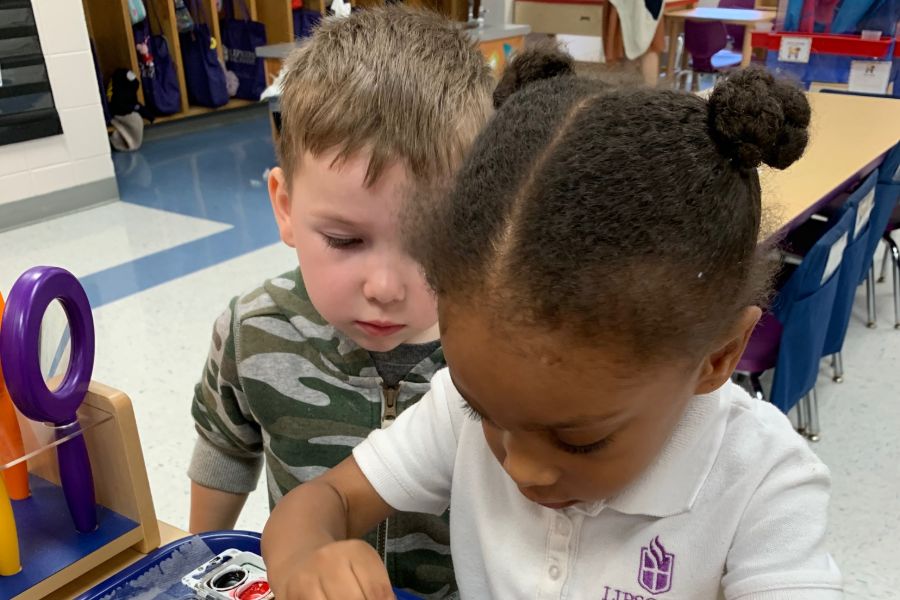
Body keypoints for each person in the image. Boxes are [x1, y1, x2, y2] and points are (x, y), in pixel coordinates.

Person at [261, 46, 843, 600]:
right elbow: (325, 498)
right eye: (483, 413)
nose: (522, 467)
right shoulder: (467, 412)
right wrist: (306, 555)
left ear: (718, 357)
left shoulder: (765, 486)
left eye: (580, 440)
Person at [187, 7, 494, 598]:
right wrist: (199, 567)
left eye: (432, 243)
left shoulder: (493, 350)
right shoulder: (253, 328)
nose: (384, 286)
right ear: (284, 206)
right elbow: (224, 451)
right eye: (345, 240)